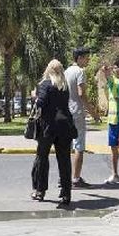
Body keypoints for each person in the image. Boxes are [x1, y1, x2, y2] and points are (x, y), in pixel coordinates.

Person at [31, 59, 74, 206]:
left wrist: (34, 96)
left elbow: (40, 103)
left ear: (48, 70)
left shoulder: (45, 84)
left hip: (48, 126)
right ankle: (66, 193)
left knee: (42, 157)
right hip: (65, 125)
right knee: (64, 160)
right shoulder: (64, 86)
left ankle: (40, 190)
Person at [65, 48, 99, 188]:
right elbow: (81, 94)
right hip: (77, 112)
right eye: (86, 57)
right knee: (79, 146)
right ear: (79, 58)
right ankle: (76, 179)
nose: (88, 60)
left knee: (66, 146)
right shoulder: (80, 72)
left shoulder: (66, 71)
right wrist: (93, 113)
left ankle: (65, 177)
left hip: (66, 112)